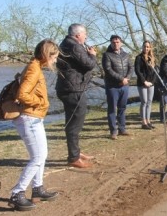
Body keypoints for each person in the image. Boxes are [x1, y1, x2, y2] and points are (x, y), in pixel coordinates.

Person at [9, 39, 60, 211]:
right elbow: (22, 94)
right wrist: (39, 102)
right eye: (54, 57)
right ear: (47, 54)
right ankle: (17, 192)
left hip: (33, 117)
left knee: (41, 155)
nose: (55, 61)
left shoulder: (35, 66)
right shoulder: (33, 68)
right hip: (29, 118)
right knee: (38, 157)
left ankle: (37, 188)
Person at [56, 23, 97, 168]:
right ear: (78, 34)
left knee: (72, 122)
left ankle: (76, 152)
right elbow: (88, 64)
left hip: (70, 88)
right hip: (73, 90)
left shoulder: (66, 44)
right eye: (85, 33)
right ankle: (73, 157)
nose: (86, 36)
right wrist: (92, 55)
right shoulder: (74, 46)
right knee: (75, 124)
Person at [102, 35, 134, 140]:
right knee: (112, 109)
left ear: (121, 43)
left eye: (117, 42)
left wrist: (127, 79)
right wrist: (121, 79)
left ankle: (122, 129)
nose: (116, 44)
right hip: (113, 87)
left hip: (124, 86)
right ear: (111, 43)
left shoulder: (126, 55)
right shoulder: (107, 55)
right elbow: (108, 69)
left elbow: (131, 67)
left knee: (122, 108)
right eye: (113, 42)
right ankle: (113, 131)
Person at [134, 40, 157, 130]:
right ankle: (143, 122)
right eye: (145, 46)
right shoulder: (139, 58)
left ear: (150, 48)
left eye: (148, 47)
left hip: (151, 83)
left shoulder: (152, 58)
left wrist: (152, 82)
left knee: (149, 102)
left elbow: (155, 71)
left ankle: (148, 120)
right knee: (144, 102)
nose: (146, 48)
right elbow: (138, 71)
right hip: (142, 83)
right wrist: (144, 82)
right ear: (142, 47)